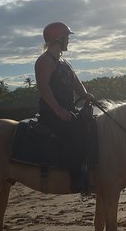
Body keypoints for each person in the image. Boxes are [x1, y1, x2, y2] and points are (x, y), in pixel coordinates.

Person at [35, 21, 95, 192]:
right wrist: (58, 110)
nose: (69, 41)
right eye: (67, 37)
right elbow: (43, 87)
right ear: (58, 39)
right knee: (76, 133)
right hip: (52, 113)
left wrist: (86, 95)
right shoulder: (45, 61)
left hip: (68, 110)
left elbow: (76, 83)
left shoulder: (64, 62)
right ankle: (77, 179)